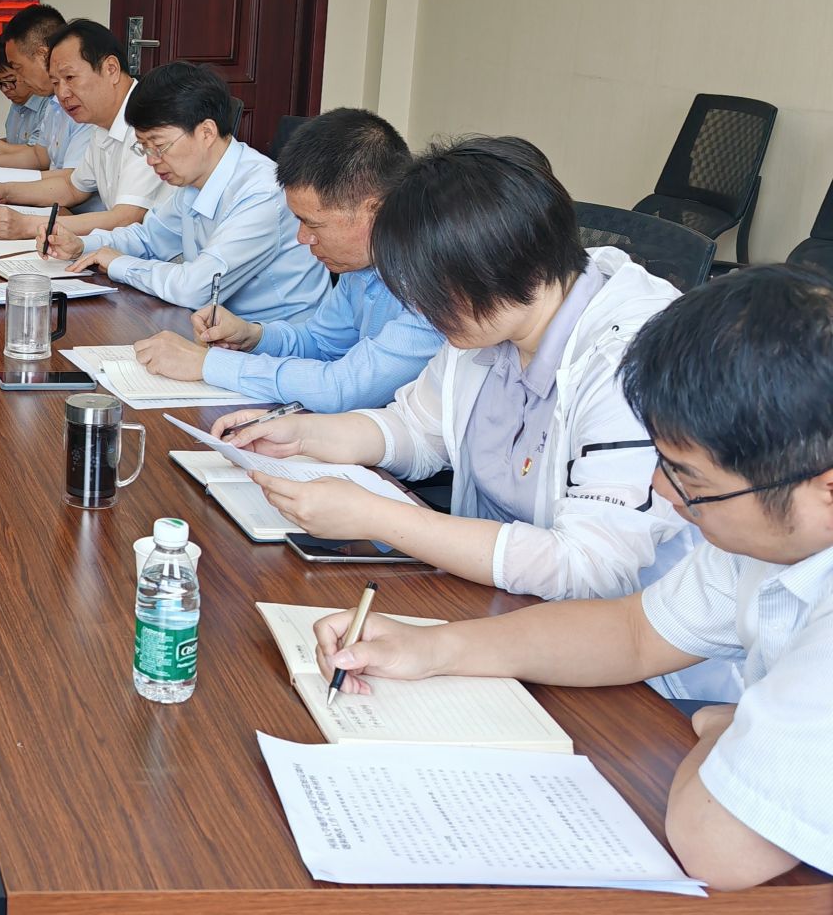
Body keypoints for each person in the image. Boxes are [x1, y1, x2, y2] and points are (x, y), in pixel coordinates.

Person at [314, 266, 833, 890]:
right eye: (664, 463)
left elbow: (719, 850)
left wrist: (730, 727)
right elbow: (634, 633)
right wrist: (431, 647)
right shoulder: (768, 534)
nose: (662, 492)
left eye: (690, 479)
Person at [218, 136, 734, 700]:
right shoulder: (486, 325)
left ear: (496, 268)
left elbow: (587, 566)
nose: (422, 310)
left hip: (632, 676)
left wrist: (378, 517)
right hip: (489, 612)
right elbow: (418, 429)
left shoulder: (630, 361)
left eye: (429, 292)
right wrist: (305, 434)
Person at [132, 108, 444, 410]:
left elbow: (345, 386)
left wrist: (208, 364)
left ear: (373, 210)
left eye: (313, 224)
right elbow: (321, 343)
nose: (302, 238)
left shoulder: (435, 281)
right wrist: (252, 336)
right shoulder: (360, 264)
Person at [44, 62, 327, 324]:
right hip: (217, 328)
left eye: (159, 146)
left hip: (275, 341)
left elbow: (197, 288)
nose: (151, 160)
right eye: (144, 148)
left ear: (206, 133)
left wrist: (119, 263)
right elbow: (149, 238)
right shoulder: (195, 179)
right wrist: (84, 246)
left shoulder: (262, 193)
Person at [0, 19, 162, 238]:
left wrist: (28, 226)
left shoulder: (149, 120)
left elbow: (126, 218)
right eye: (55, 82)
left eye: (70, 78)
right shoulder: (102, 123)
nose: (62, 93)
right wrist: (3, 190)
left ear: (111, 69)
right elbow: (72, 187)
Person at [0, 4, 91, 175]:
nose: (21, 79)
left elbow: (71, 182)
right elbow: (38, 157)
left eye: (18, 68)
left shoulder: (81, 103)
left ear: (43, 56)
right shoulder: (54, 103)